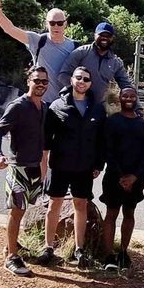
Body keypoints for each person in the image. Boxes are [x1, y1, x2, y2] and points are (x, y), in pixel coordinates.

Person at [41, 66, 106, 268]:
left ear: (90, 84)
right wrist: (44, 167)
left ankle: (79, 249)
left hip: (84, 167)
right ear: (71, 80)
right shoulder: (57, 106)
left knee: (80, 205)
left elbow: (101, 141)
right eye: (78, 77)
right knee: (54, 205)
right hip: (59, 165)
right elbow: (46, 140)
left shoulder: (97, 108)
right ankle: (48, 247)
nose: (82, 81)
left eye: (86, 79)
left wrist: (98, 165)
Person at [0, 66, 51, 277]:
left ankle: (11, 246)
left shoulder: (44, 108)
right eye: (37, 81)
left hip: (36, 168)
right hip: (18, 169)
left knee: (23, 211)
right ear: (28, 82)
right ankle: (11, 258)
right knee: (16, 211)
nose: (41, 85)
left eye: (44, 81)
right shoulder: (18, 106)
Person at [0, 0, 77, 103]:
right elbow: (10, 29)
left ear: (65, 24)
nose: (56, 26)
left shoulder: (75, 47)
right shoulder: (38, 41)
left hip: (64, 105)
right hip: (40, 103)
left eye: (60, 23)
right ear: (46, 24)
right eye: (52, 23)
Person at [100, 86, 144, 270]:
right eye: (125, 95)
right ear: (120, 98)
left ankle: (123, 252)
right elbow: (108, 150)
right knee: (111, 214)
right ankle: (108, 256)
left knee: (129, 213)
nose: (129, 98)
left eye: (132, 96)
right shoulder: (112, 121)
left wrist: (135, 177)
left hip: (135, 179)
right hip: (114, 176)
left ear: (136, 99)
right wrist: (122, 177)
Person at [58, 22, 134, 103]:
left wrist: (138, 108)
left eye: (108, 36)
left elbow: (127, 86)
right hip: (74, 104)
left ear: (112, 38)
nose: (104, 38)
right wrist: (78, 91)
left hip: (98, 108)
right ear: (95, 35)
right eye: (101, 35)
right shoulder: (81, 52)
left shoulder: (116, 62)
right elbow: (63, 75)